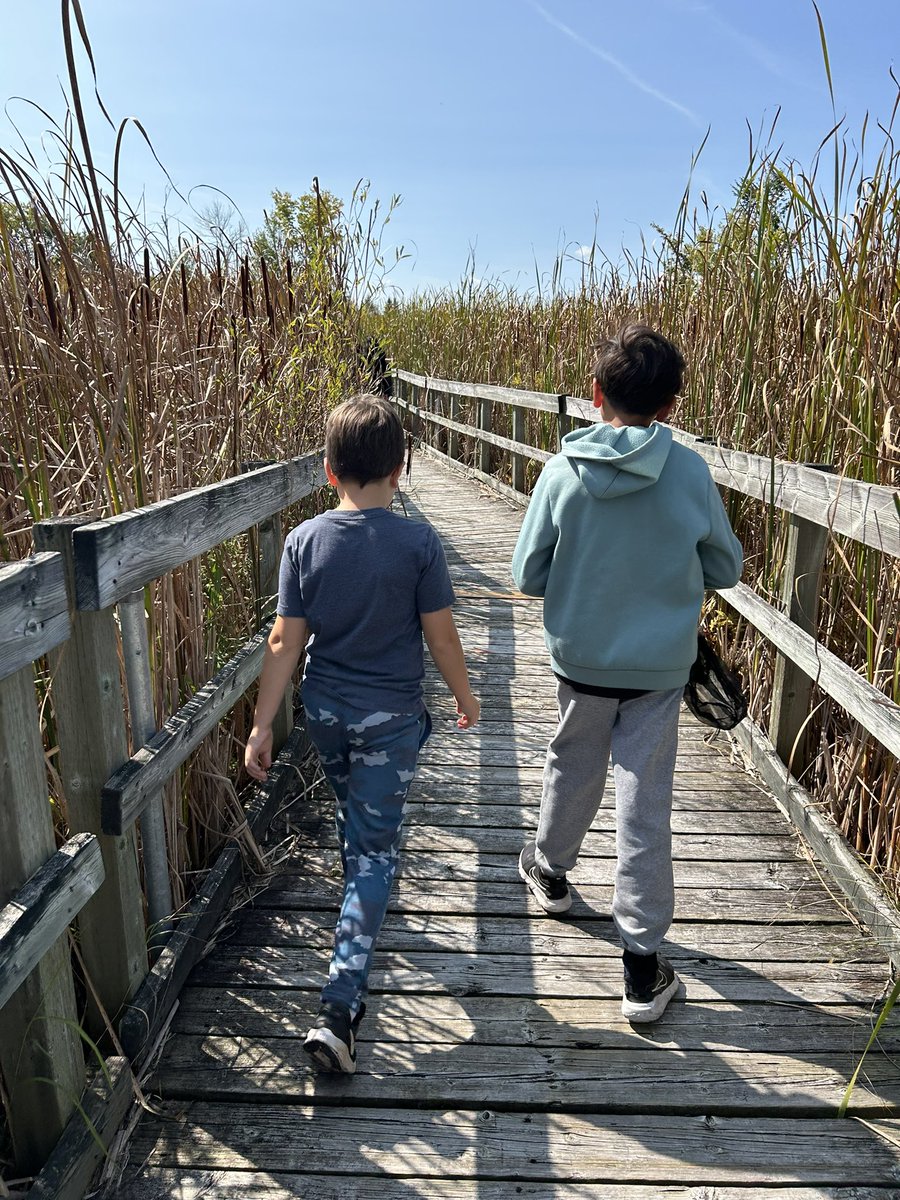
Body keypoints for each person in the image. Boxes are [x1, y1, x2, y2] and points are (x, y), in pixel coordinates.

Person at [511, 324, 742, 1023]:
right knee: (645, 804)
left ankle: (550, 871)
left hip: (580, 661)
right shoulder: (690, 472)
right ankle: (642, 969)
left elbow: (528, 573)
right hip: (658, 670)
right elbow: (725, 566)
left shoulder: (560, 472)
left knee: (570, 762)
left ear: (594, 396)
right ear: (671, 406)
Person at [245, 394, 480, 1072]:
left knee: (357, 824)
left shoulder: (303, 542)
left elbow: (285, 640)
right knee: (376, 850)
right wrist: (465, 697)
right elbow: (441, 638)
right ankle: (339, 1007)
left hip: (325, 713)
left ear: (328, 471)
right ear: (400, 470)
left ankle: (361, 907)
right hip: (392, 718)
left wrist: (263, 723)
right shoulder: (417, 543)